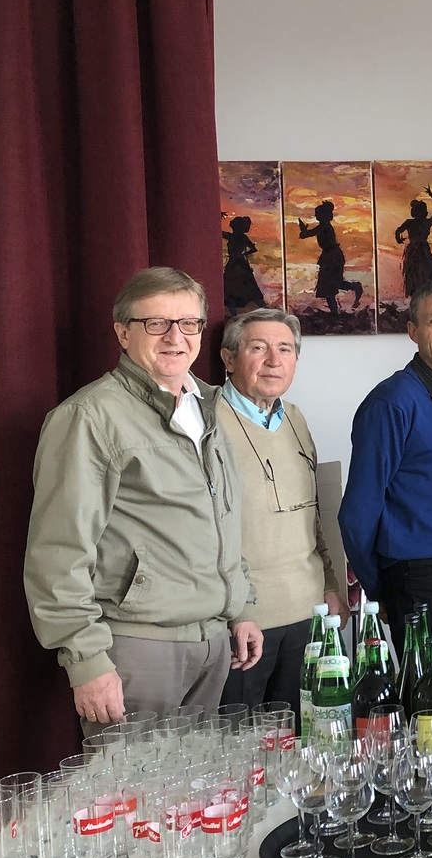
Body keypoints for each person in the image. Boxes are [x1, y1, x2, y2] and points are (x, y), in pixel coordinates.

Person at [23, 267, 262, 734]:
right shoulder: (89, 417)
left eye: (188, 323)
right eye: (156, 323)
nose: (175, 337)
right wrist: (86, 659)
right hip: (136, 648)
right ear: (122, 334)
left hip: (213, 642)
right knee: (132, 783)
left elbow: (222, 519)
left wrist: (241, 609)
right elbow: (58, 550)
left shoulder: (208, 406)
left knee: (199, 782)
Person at [339, 278, 432, 667]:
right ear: (413, 330)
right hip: (416, 573)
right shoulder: (392, 402)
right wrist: (380, 588)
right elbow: (355, 514)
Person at [216, 309, 347, 717]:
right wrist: (238, 612)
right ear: (229, 358)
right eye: (259, 348)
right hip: (243, 621)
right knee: (239, 739)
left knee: (304, 734)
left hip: (308, 613)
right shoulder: (205, 421)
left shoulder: (295, 418)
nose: (274, 360)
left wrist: (330, 584)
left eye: (286, 349)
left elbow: (314, 514)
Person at [298, 200, 363, 315]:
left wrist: (304, 230)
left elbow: (305, 234)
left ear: (324, 216)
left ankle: (335, 311)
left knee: (331, 286)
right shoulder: (323, 227)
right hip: (329, 257)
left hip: (332, 258)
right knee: (332, 285)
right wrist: (304, 231)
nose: (316, 216)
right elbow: (304, 235)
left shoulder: (324, 227)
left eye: (318, 214)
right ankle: (336, 310)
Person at [393, 187, 432, 299]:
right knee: (424, 273)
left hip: (418, 250)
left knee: (420, 274)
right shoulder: (426, 222)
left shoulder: (411, 222)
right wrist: (431, 195)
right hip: (419, 250)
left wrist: (399, 240)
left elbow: (398, 231)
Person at [223, 215, 266, 316]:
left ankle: (235, 314)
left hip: (235, 264)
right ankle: (235, 315)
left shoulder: (234, 237)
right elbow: (253, 249)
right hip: (238, 263)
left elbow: (253, 249)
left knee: (232, 289)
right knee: (236, 289)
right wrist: (243, 254)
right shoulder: (242, 237)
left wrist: (240, 255)